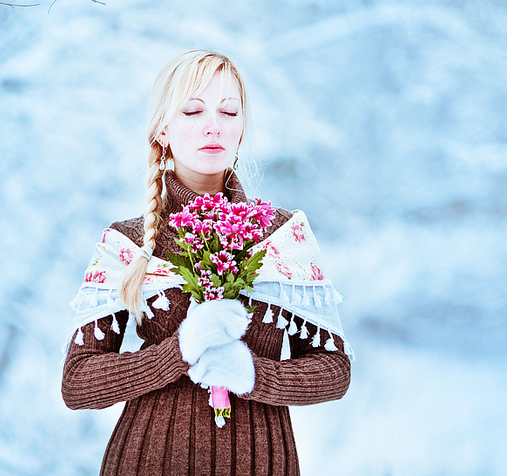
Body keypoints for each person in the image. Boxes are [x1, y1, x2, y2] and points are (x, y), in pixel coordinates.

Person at [62, 49, 353, 476]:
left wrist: (257, 375)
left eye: (229, 111)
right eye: (193, 111)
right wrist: (176, 352)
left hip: (262, 464)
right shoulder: (127, 243)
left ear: (241, 127)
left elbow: (334, 370)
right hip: (146, 463)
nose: (213, 125)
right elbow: (78, 382)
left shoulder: (281, 236)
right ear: (163, 129)